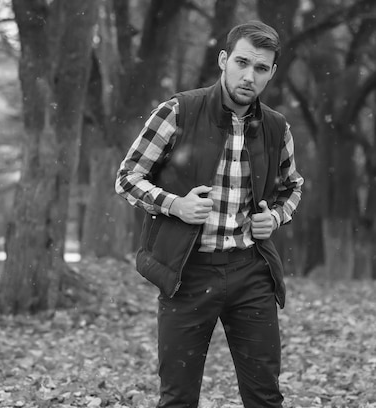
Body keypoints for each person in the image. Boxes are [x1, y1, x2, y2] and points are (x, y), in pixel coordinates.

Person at [114, 21, 304, 408]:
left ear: (271, 73)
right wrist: (175, 204)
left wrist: (278, 216)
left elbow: (293, 186)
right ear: (223, 60)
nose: (249, 76)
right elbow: (127, 178)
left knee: (265, 397)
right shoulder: (178, 111)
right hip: (187, 273)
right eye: (242, 62)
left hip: (251, 273)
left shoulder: (276, 127)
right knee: (178, 399)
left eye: (261, 68)